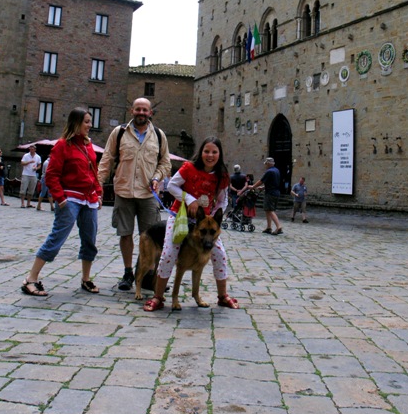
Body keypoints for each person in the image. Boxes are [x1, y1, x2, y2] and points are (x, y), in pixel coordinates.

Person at [143, 135, 239, 312]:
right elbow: (172, 186)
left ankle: (223, 295)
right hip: (180, 215)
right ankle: (158, 296)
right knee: (169, 252)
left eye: (214, 152)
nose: (210, 155)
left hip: (205, 221)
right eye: (206, 151)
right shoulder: (189, 168)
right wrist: (189, 199)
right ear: (201, 152)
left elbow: (222, 200)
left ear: (220, 154)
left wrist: (214, 217)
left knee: (220, 255)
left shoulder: (222, 175)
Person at [21, 107, 102, 296]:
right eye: (87, 122)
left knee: (90, 239)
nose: (90, 125)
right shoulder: (62, 145)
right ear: (76, 123)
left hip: (88, 199)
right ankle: (31, 279)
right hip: (70, 198)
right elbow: (52, 175)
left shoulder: (88, 145)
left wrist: (98, 192)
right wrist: (60, 198)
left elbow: (93, 172)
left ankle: (86, 279)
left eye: (90, 121)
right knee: (57, 237)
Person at [98, 97, 171, 291]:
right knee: (125, 234)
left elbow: (165, 163)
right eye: (138, 109)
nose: (141, 113)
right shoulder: (119, 132)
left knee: (151, 237)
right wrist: (97, 185)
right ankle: (128, 272)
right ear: (132, 111)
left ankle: (146, 274)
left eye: (144, 110)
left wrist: (156, 177)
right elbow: (107, 159)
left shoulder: (158, 135)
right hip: (124, 191)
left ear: (150, 113)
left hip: (148, 195)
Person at [248, 157, 283, 235]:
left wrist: (253, 187)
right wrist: (264, 187)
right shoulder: (277, 170)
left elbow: (261, 181)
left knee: (270, 210)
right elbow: (273, 182)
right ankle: (269, 227)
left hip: (270, 193)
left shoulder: (269, 171)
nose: (265, 166)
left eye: (266, 164)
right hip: (276, 192)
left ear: (268, 164)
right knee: (267, 209)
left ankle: (278, 226)